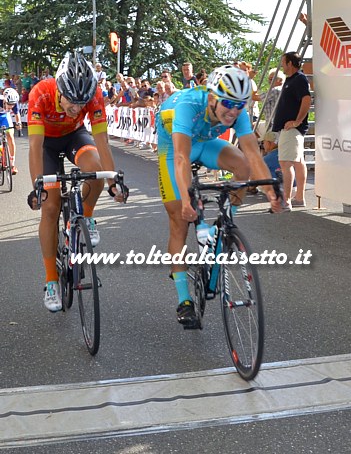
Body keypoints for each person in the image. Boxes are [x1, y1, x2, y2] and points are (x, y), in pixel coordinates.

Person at [156, 65, 280, 326]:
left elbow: (253, 154)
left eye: (239, 105)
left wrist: (270, 191)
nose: (233, 111)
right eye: (226, 103)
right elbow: (180, 157)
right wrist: (187, 201)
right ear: (212, 97)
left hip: (204, 143)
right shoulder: (189, 104)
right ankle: (184, 300)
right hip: (175, 147)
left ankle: (224, 224)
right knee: (180, 219)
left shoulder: (237, 112)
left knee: (243, 167)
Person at [27, 52, 127, 313]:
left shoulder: (93, 96)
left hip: (74, 136)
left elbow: (102, 142)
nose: (76, 107)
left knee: (94, 169)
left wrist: (112, 182)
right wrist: (37, 187)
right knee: (50, 207)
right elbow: (35, 147)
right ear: (59, 88)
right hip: (47, 144)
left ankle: (87, 216)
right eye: (71, 100)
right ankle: (51, 281)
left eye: (81, 102)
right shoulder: (41, 93)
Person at [272, 52, 311, 211]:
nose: (282, 65)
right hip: (290, 129)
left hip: (292, 129)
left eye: (283, 62)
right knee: (298, 162)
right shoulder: (292, 79)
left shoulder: (299, 79)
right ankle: (299, 198)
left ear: (290, 63)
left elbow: (307, 100)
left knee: (285, 163)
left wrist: (297, 121)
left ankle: (286, 201)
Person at [0, 87, 22, 175]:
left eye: (13, 104)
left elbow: (17, 114)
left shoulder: (14, 102)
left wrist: (19, 123)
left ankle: (12, 164)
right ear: (4, 101)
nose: (11, 106)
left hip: (5, 116)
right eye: (9, 104)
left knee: (10, 136)